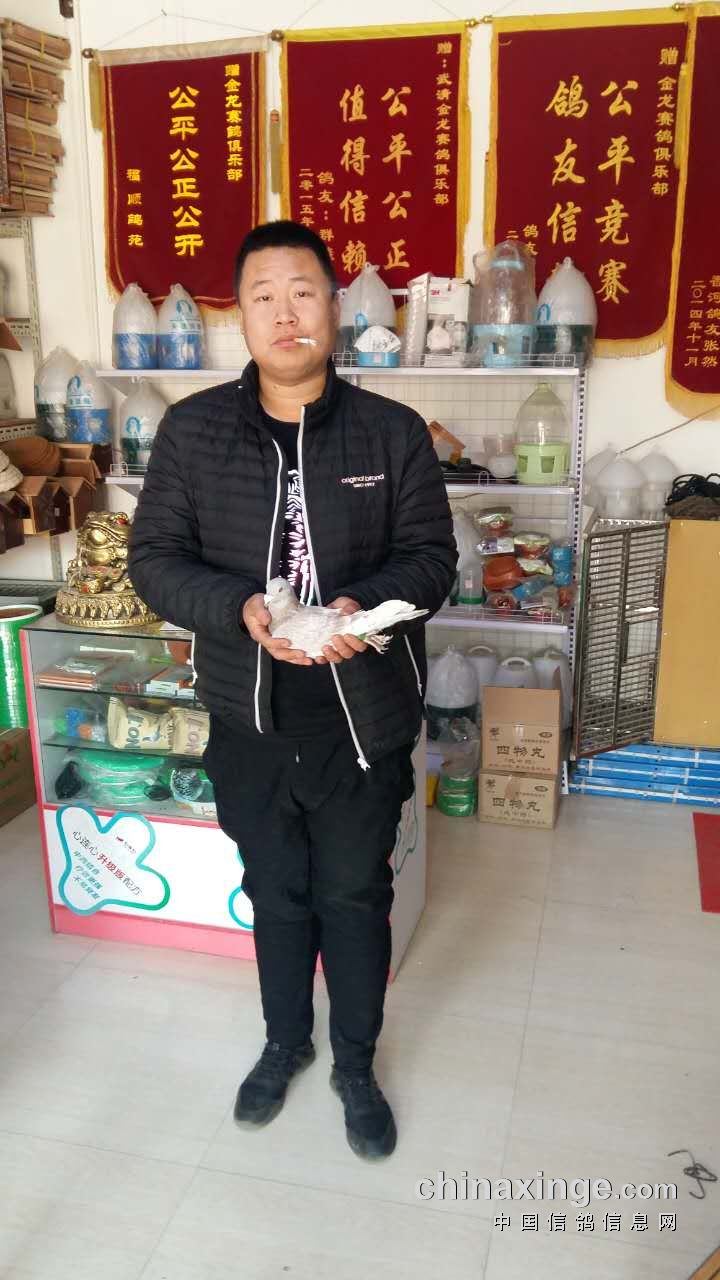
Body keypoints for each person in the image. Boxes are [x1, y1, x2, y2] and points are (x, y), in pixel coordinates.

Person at [129, 221, 457, 1160]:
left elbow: (431, 559)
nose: (285, 313)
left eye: (303, 291)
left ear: (335, 308)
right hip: (250, 717)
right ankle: (285, 1045)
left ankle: (355, 1064)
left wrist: (363, 604)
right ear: (239, 314)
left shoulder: (390, 431)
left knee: (354, 895)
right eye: (264, 295)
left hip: (363, 718)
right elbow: (156, 560)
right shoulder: (194, 431)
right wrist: (240, 609)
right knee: (274, 893)